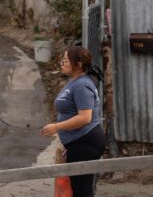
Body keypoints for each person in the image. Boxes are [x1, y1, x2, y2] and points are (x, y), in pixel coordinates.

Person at [41, 46, 105, 197]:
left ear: (79, 64)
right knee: (77, 188)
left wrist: (56, 127)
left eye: (65, 60)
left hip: (85, 141)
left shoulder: (82, 85)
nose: (61, 63)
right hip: (78, 142)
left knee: (82, 190)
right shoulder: (75, 81)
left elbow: (85, 117)